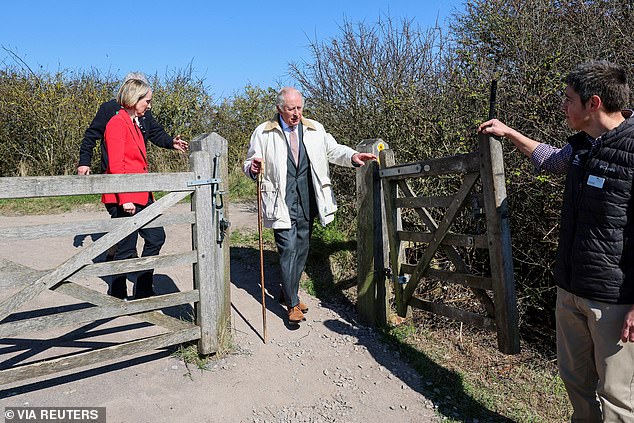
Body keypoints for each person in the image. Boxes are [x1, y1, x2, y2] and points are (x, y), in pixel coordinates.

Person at [478, 60, 634, 422]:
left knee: (617, 398)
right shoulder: (583, 146)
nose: (563, 106)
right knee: (575, 381)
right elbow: (550, 161)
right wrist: (509, 132)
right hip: (571, 289)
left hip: (614, 301)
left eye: (568, 99)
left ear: (593, 103)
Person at [243, 87, 376, 325]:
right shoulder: (263, 132)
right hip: (279, 200)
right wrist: (253, 168)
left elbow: (333, 150)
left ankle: (287, 290)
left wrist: (353, 157)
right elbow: (249, 162)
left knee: (302, 248)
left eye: (299, 108)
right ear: (279, 109)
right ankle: (293, 304)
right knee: (287, 248)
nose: (296, 113)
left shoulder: (315, 129)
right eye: (291, 109)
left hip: (308, 199)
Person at [102, 78, 168, 300]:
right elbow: (116, 165)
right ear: (134, 98)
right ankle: (119, 291)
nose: (149, 106)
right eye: (146, 101)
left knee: (156, 237)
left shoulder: (134, 123)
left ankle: (142, 287)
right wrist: (125, 198)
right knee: (126, 247)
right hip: (126, 196)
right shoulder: (117, 123)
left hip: (141, 193)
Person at [76, 72, 188, 176]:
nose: (149, 106)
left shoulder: (144, 113)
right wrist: (84, 162)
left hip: (138, 175)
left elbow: (156, 133)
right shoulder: (110, 111)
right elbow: (91, 137)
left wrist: (171, 142)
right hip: (115, 175)